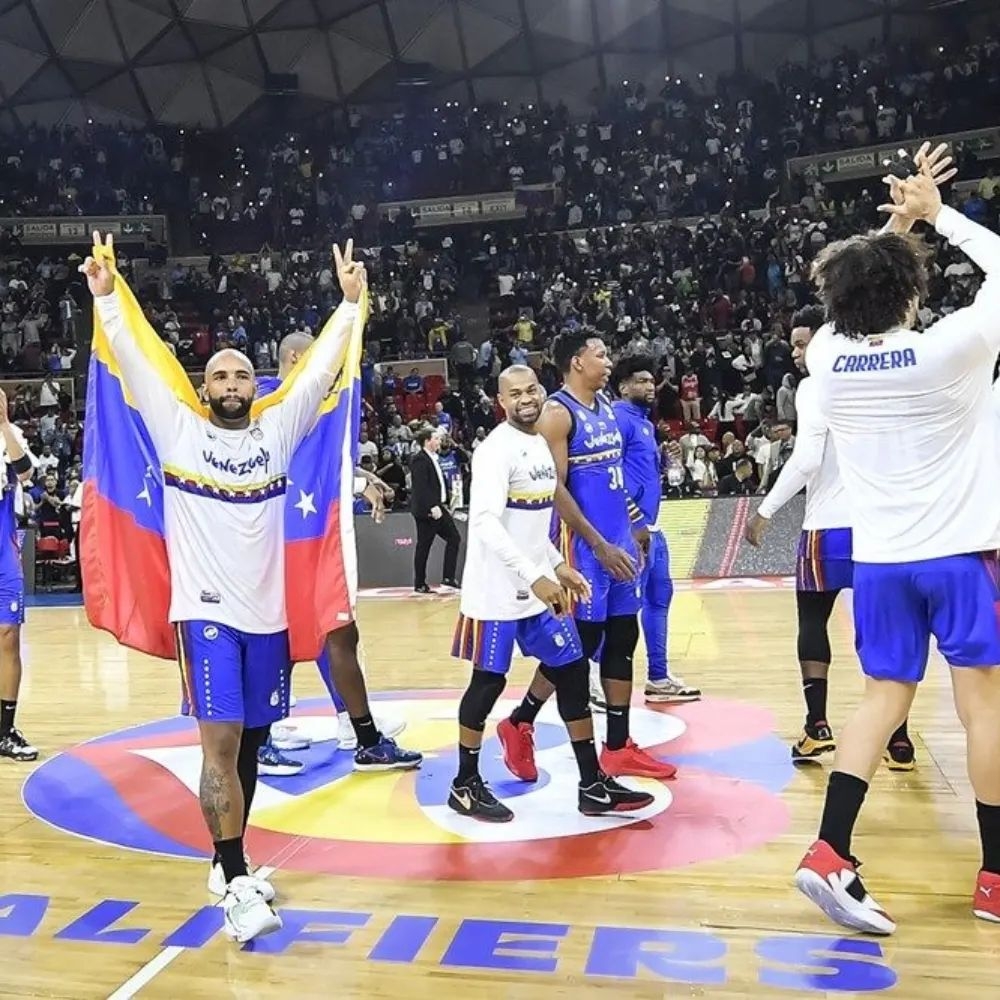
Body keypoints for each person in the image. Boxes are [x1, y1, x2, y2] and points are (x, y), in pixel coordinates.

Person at [80, 233, 366, 943]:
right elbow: (141, 365)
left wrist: (352, 306)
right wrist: (108, 295)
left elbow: (321, 370)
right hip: (204, 616)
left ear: (255, 385)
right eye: (220, 378)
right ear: (203, 389)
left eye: (242, 377)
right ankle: (237, 883)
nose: (233, 385)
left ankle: (223, 861)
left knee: (250, 743)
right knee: (221, 742)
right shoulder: (177, 431)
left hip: (266, 617)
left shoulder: (276, 434)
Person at [793, 164, 1000, 932]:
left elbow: (850, 298)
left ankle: (829, 851)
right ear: (912, 295)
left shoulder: (826, 364)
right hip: (961, 558)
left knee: (882, 700)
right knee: (984, 709)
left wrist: (896, 230)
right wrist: (938, 214)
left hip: (878, 563)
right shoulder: (953, 349)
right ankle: (996, 879)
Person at [450, 365, 655, 820]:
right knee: (487, 684)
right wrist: (535, 575)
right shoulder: (493, 452)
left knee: (572, 668)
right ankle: (464, 783)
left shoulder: (539, 447)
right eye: (514, 394)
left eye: (531, 390)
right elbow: (484, 522)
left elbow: (530, 525)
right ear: (500, 402)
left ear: (541, 392)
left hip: (535, 587)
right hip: (495, 592)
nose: (525, 399)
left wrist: (559, 567)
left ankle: (592, 785)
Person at [498, 330, 676, 781]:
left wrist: (637, 524)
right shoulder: (558, 414)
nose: (608, 361)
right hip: (586, 551)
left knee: (622, 641)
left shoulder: (609, 413)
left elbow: (614, 478)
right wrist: (598, 544)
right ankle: (520, 721)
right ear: (577, 362)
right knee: (579, 648)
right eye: (600, 354)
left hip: (620, 545)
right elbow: (553, 489)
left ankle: (617, 746)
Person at [746, 306, 915, 769]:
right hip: (881, 525)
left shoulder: (815, 386)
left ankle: (817, 727)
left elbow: (805, 460)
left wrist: (764, 510)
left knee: (812, 620)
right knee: (881, 626)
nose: (797, 353)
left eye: (803, 343)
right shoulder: (884, 379)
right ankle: (897, 737)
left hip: (826, 524)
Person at [254, 332, 421, 775]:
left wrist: (361, 473)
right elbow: (300, 463)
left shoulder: (307, 404)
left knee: (333, 628)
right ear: (295, 357)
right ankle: (261, 737)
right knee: (280, 638)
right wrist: (355, 481)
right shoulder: (271, 398)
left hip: (302, 535)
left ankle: (351, 721)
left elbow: (321, 456)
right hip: (276, 540)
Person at [611, 357, 701, 703]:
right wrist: (633, 521)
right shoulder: (620, 418)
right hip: (632, 529)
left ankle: (659, 678)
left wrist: (663, 460)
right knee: (621, 609)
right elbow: (609, 474)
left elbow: (639, 473)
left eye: (652, 381)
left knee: (658, 598)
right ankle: (596, 680)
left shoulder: (644, 423)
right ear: (623, 387)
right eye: (641, 380)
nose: (650, 386)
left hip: (652, 526)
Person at [0, 389, 38, 761]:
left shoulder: (8, 437)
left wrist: (5, 424)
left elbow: (27, 472)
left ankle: (4, 730)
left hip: (2, 547)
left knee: (9, 635)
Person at [410, 426, 461, 593]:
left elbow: (436, 483)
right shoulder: (420, 459)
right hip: (428, 511)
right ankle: (419, 583)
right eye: (437, 439)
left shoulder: (434, 458)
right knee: (424, 546)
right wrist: (432, 506)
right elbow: (421, 486)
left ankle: (448, 578)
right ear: (427, 441)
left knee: (454, 538)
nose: (440, 441)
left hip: (439, 507)